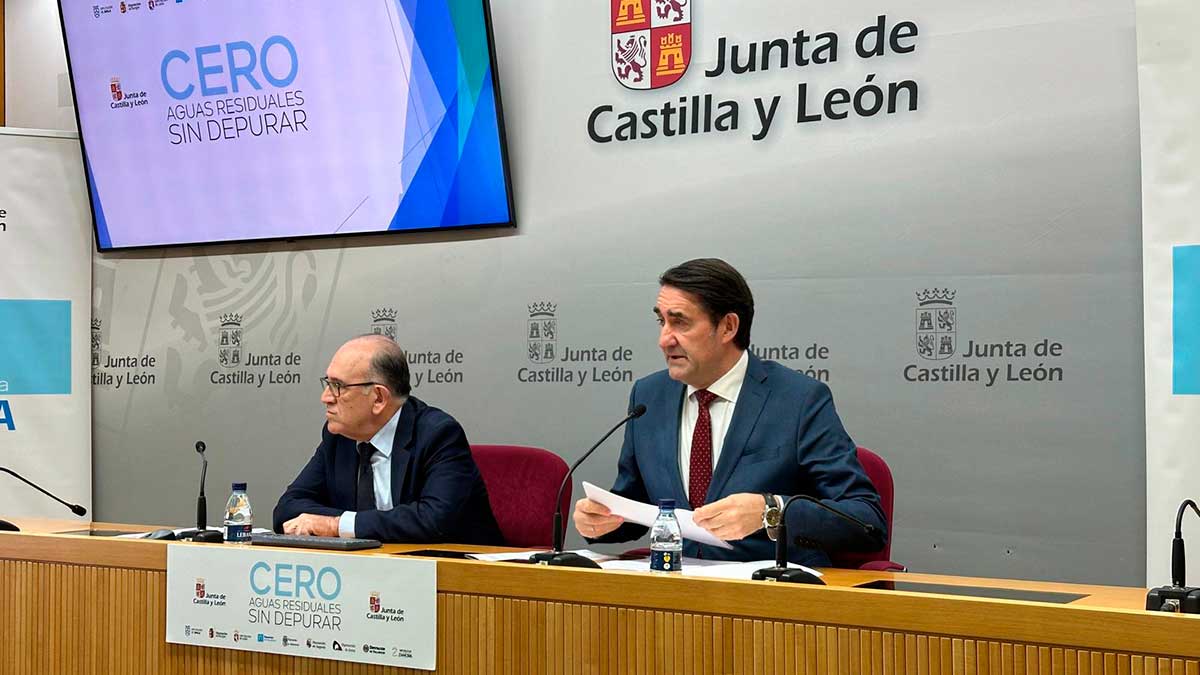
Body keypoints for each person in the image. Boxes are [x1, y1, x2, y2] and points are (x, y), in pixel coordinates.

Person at [573, 258, 885, 565]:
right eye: (661, 321)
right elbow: (639, 505)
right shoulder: (649, 396)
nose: (664, 339)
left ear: (728, 327)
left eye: (679, 321)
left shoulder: (798, 400)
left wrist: (770, 512)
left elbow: (865, 521)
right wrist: (602, 520)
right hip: (671, 595)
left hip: (767, 599)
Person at [273, 334, 503, 544]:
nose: (326, 398)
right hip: (372, 574)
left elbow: (433, 520)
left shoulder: (438, 435)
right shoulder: (340, 437)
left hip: (457, 578)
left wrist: (335, 525)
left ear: (379, 398)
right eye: (328, 384)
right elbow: (287, 508)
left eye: (338, 387)